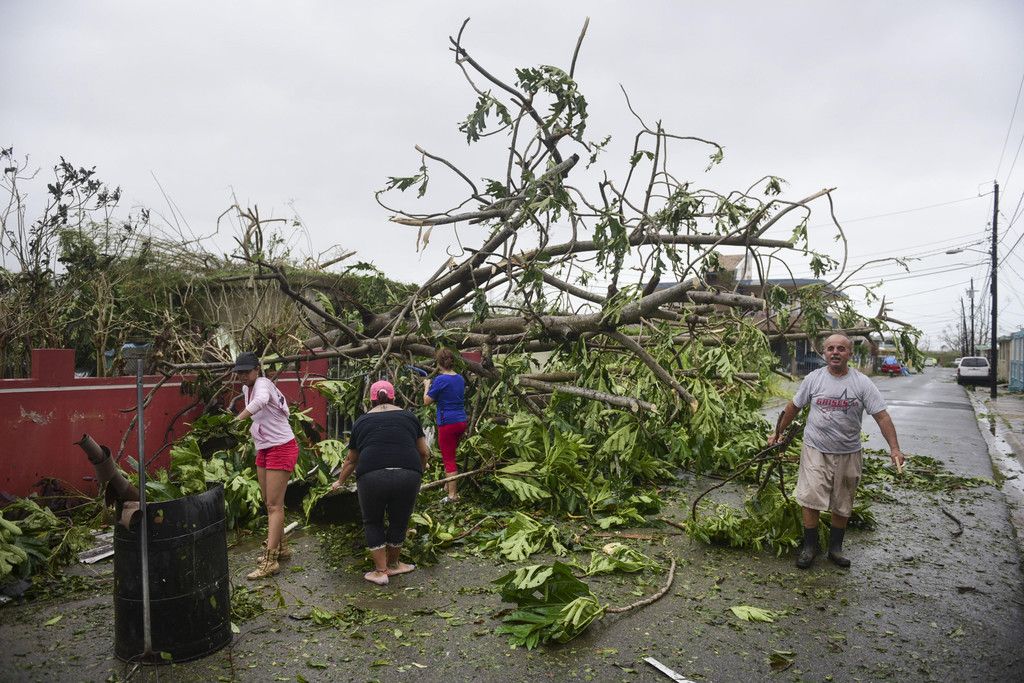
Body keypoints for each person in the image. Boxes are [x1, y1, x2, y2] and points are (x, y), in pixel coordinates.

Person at [769, 334, 904, 569]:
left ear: (849, 354)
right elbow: (794, 407)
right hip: (815, 448)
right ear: (824, 353)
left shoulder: (862, 383)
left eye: (841, 349)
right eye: (830, 348)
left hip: (848, 451)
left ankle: (835, 549)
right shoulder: (814, 379)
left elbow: (881, 416)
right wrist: (778, 432)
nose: (835, 352)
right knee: (810, 497)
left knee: (843, 501)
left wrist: (894, 448)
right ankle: (809, 547)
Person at [332, 379, 429, 586]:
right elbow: (424, 452)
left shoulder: (362, 421)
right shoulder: (409, 417)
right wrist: (418, 471)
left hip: (372, 476)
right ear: (393, 397)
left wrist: (339, 482)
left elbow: (351, 460)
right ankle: (394, 565)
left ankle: (381, 571)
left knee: (373, 521)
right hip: (407, 474)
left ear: (371, 399)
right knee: (399, 520)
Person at [233, 352, 299, 580]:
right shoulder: (246, 389)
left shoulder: (263, 383)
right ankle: (281, 547)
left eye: (246, 371)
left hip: (282, 446)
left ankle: (270, 560)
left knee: (274, 506)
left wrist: (237, 420)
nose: (242, 376)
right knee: (268, 502)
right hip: (265, 447)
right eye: (239, 372)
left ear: (257, 369)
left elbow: (260, 402)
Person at [422, 349, 468, 502]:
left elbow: (427, 401)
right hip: (461, 421)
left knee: (448, 459)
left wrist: (427, 386)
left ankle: (452, 496)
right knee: (452, 454)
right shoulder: (460, 378)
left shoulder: (440, 380)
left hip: (447, 423)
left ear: (439, 363)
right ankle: (448, 486)